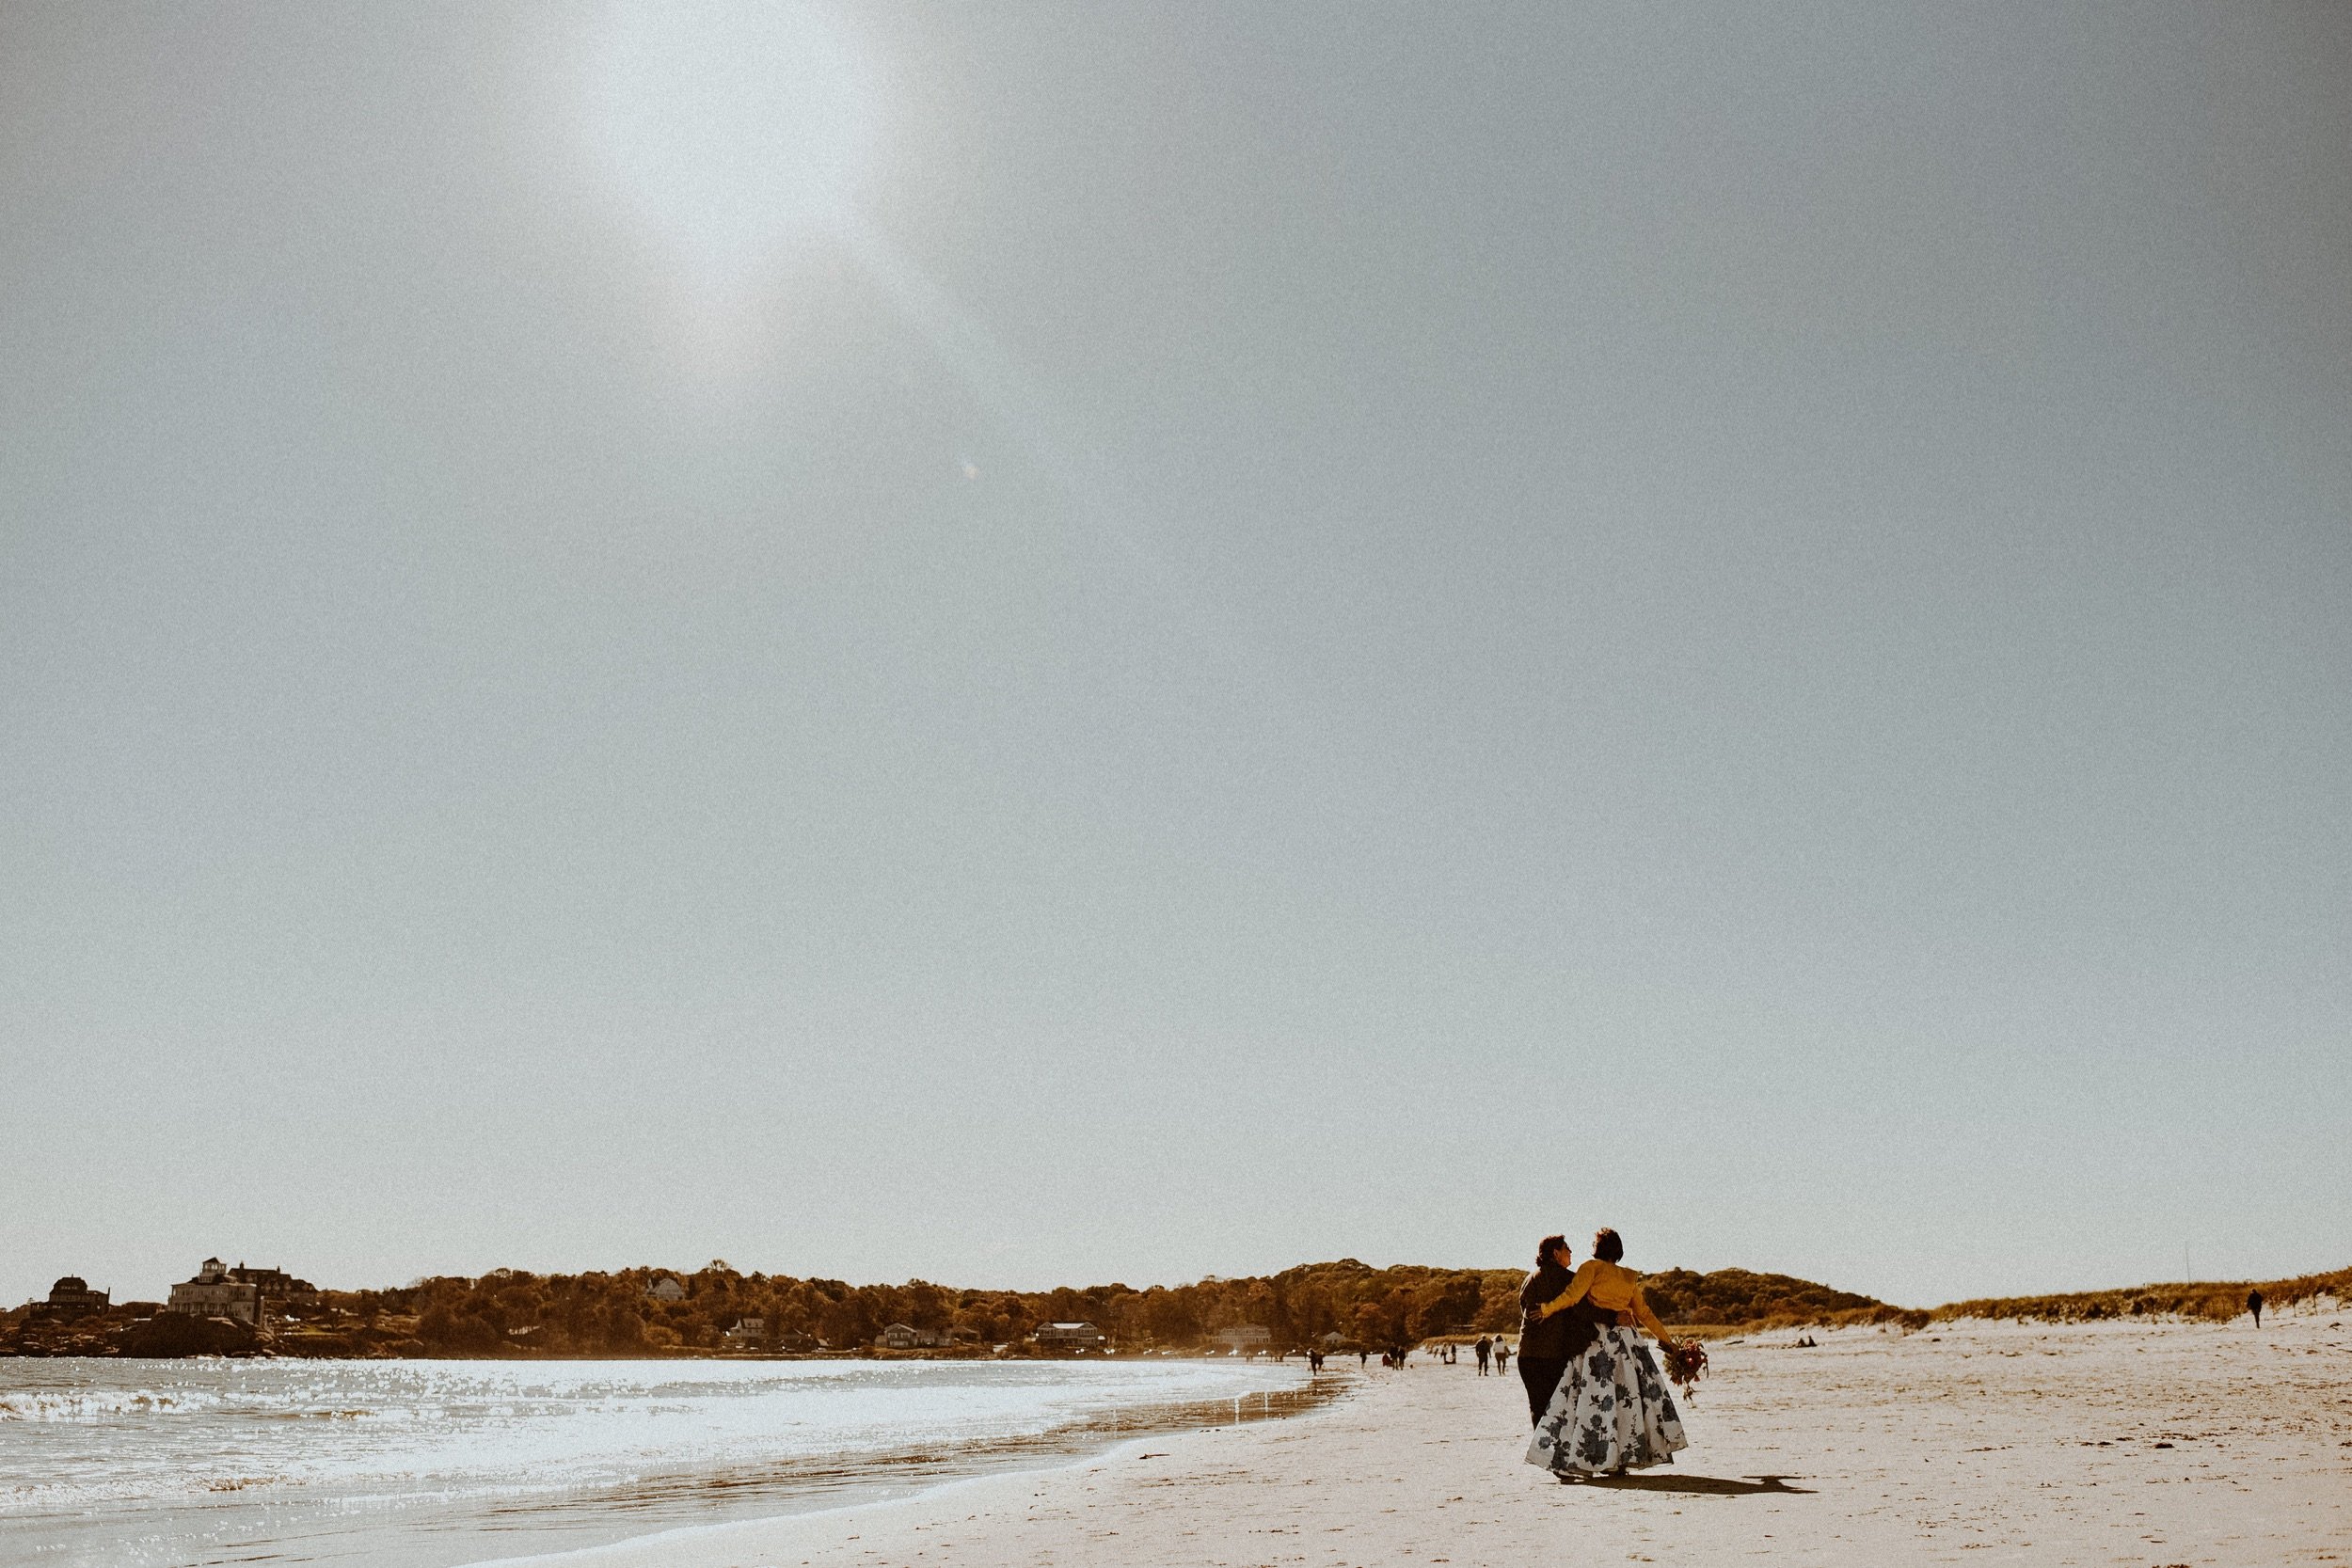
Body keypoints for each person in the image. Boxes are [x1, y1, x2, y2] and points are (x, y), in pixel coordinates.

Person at [1523, 1227, 1690, 1478]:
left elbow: (1571, 1297)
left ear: (1599, 1247)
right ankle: (1620, 1460)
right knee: (1626, 1400)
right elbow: (1645, 1314)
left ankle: (1586, 1459)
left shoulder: (1591, 1268)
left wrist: (1547, 1309)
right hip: (1626, 1343)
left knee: (1592, 1400)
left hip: (1597, 1341)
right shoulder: (1629, 1277)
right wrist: (1669, 1345)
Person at [1518, 1234, 1612, 1426]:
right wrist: (1614, 1317)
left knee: (1538, 1409)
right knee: (1561, 1408)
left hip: (1526, 1354)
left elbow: (1523, 1307)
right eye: (1567, 1248)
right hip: (1552, 1355)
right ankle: (1556, 1454)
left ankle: (1539, 1453)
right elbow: (1585, 1310)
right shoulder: (1569, 1278)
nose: (1571, 1252)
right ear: (1555, 1253)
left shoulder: (1529, 1278)